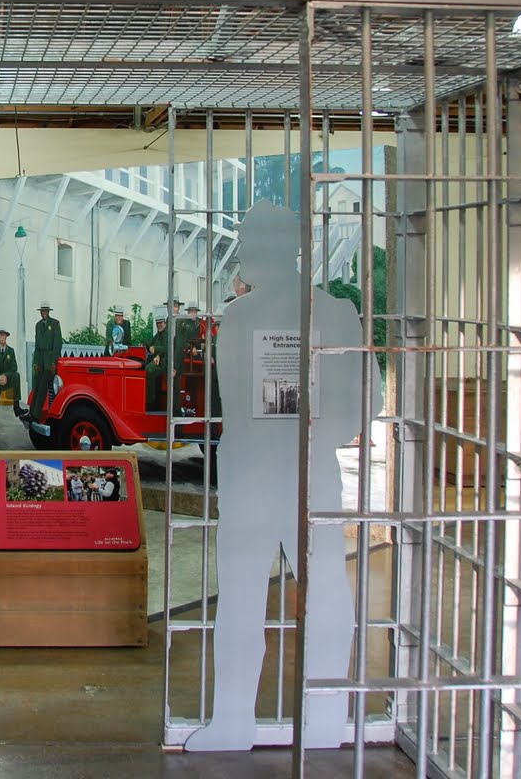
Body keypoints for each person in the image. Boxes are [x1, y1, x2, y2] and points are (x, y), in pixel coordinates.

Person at [186, 201, 371, 753]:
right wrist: (313, 429)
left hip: (254, 479)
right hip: (305, 475)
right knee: (322, 593)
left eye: (248, 243)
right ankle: (324, 722)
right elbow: (365, 403)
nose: (241, 253)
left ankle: (234, 722)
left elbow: (235, 406)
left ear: (275, 249)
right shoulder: (334, 313)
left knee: (244, 598)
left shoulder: (241, 318)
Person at [28, 302, 63, 420]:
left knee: (43, 388)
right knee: (36, 388)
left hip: (49, 362)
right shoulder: (38, 325)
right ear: (40, 312)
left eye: (46, 311)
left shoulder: (55, 324)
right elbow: (37, 346)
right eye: (42, 311)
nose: (44, 313)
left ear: (48, 312)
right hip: (41, 362)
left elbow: (57, 344)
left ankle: (36, 416)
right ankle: (31, 413)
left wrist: (53, 362)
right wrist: (36, 363)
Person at [144, 314, 168, 411]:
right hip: (159, 360)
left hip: (165, 361)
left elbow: (168, 347)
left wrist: (156, 350)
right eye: (157, 323)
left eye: (161, 323)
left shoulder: (167, 334)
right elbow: (150, 343)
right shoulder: (159, 335)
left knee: (148, 370)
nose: (159, 325)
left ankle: (150, 402)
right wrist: (145, 344)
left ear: (165, 323)